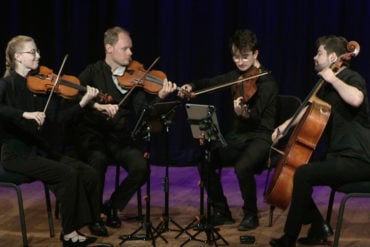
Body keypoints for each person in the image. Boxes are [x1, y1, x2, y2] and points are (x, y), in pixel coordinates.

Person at [0, 35, 111, 247]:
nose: (38, 56)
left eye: (37, 51)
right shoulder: (6, 84)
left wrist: (84, 102)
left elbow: (58, 119)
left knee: (88, 173)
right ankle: (70, 235)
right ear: (18, 57)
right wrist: (24, 114)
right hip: (17, 155)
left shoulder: (41, 86)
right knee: (68, 174)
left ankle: (85, 224)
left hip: (40, 152)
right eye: (32, 52)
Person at [269, 35, 370, 247]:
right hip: (338, 157)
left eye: (320, 54)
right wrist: (284, 127)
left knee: (303, 174)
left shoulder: (352, 77)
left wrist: (332, 79)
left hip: (358, 159)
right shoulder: (324, 86)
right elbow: (308, 108)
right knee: (299, 171)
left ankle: (289, 239)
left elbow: (356, 98)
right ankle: (318, 226)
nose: (315, 57)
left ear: (333, 57)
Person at [73, 26, 178, 228]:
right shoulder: (92, 71)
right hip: (93, 136)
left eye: (131, 48)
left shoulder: (135, 79)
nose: (130, 53)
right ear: (109, 48)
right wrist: (95, 104)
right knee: (98, 161)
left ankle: (112, 206)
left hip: (118, 138)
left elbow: (144, 111)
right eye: (125, 48)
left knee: (141, 167)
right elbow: (72, 92)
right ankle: (94, 216)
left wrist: (160, 97)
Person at [180, 29, 278, 231]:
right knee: (206, 160)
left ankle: (251, 214)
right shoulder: (237, 76)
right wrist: (192, 86)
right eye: (236, 57)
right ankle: (221, 211)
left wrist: (242, 112)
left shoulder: (267, 81)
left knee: (242, 167)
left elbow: (257, 115)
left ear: (256, 54)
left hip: (261, 137)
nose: (240, 62)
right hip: (239, 136)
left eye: (245, 57)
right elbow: (211, 83)